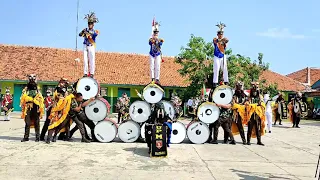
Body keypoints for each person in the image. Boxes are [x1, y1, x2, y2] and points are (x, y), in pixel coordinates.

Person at [20, 74, 44, 142]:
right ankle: (26, 137)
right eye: (30, 78)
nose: (32, 79)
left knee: (37, 122)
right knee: (27, 123)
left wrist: (37, 102)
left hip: (36, 107)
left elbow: (41, 98)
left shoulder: (38, 89)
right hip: (28, 107)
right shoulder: (26, 89)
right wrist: (29, 99)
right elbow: (22, 98)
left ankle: (37, 137)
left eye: (33, 78)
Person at [79, 11, 99, 78]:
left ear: (93, 24)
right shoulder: (85, 29)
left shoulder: (95, 31)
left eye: (91, 23)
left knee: (92, 59)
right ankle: (85, 72)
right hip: (85, 45)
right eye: (89, 23)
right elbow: (80, 35)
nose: (89, 25)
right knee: (85, 59)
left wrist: (87, 32)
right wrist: (83, 32)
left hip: (91, 45)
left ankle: (92, 73)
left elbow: (93, 35)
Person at [212, 22, 229, 89]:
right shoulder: (215, 39)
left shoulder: (224, 40)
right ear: (217, 35)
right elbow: (215, 41)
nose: (220, 36)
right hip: (216, 56)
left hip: (223, 55)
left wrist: (223, 40)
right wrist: (221, 40)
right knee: (216, 68)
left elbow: (227, 40)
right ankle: (215, 82)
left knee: (225, 68)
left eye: (221, 35)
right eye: (219, 34)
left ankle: (226, 81)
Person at [149, 20, 164, 85]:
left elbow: (160, 44)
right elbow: (150, 42)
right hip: (152, 54)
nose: (156, 34)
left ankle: (157, 79)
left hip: (157, 54)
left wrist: (158, 41)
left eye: (157, 33)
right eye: (155, 33)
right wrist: (153, 40)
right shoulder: (151, 39)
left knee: (157, 66)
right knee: (151, 66)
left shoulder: (160, 39)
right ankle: (152, 78)